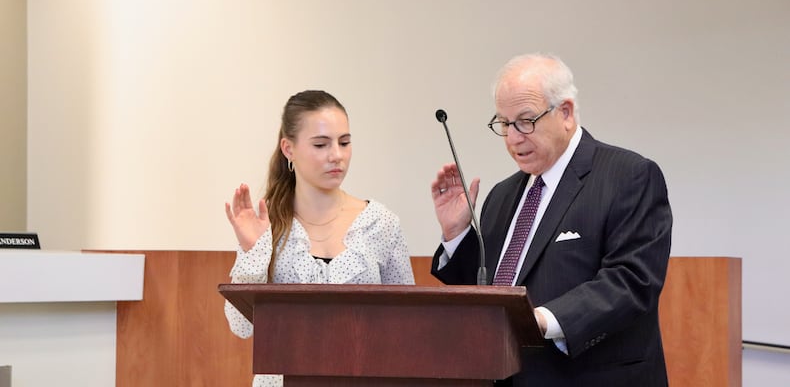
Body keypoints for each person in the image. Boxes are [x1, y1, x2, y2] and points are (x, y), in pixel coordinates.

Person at [430, 54, 672, 386]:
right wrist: (457, 234)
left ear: (566, 113)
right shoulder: (502, 195)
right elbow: (485, 293)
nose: (513, 137)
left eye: (526, 121)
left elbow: (632, 282)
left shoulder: (628, 176)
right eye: (504, 123)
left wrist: (539, 321)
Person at [224, 90, 415, 387]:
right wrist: (254, 253)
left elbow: (407, 325)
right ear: (289, 149)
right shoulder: (267, 223)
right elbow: (240, 326)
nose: (336, 155)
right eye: (321, 144)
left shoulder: (381, 223)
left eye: (344, 142)